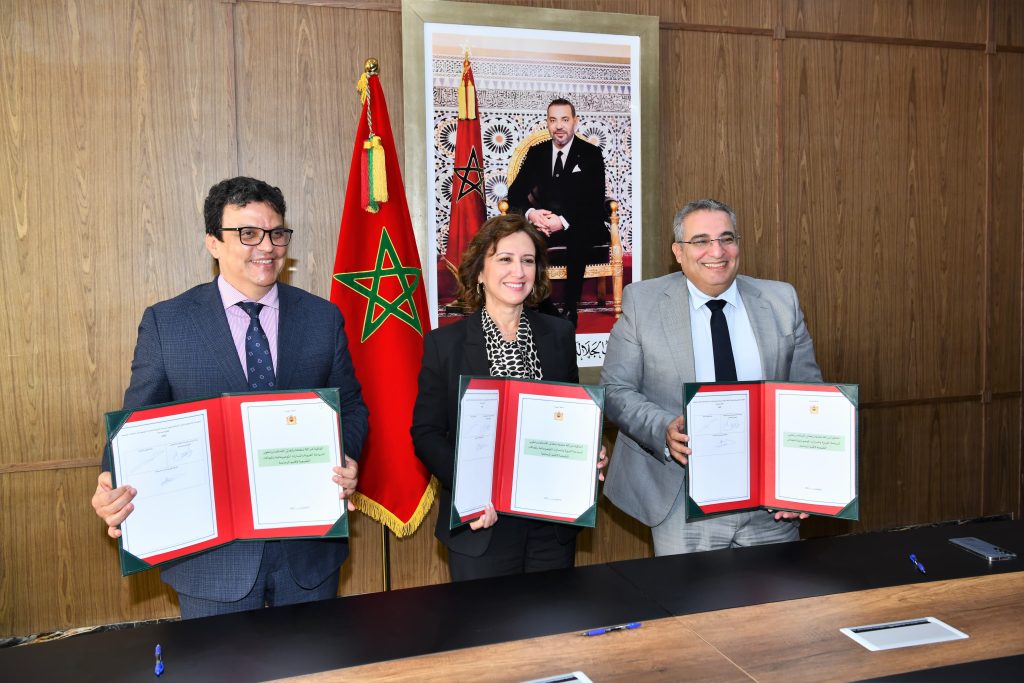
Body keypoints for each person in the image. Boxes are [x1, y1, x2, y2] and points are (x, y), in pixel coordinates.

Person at [90, 176, 369, 618]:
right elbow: (136, 423)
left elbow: (350, 407)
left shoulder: (321, 317)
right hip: (214, 559)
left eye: (276, 233)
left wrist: (346, 457)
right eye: (248, 233)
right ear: (213, 242)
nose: (267, 247)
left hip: (308, 549)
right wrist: (112, 478)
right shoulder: (168, 323)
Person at [602, 198, 821, 556]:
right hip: (682, 501)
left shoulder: (781, 300)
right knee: (689, 595)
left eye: (726, 238)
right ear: (678, 251)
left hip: (769, 503)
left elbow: (810, 396)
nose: (716, 251)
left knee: (776, 593)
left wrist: (804, 482)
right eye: (701, 241)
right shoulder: (643, 302)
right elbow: (615, 389)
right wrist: (663, 428)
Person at [411, 213, 607, 581]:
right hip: (482, 524)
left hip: (550, 523)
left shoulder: (558, 334)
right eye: (505, 259)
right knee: (486, 619)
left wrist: (589, 450)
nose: (518, 271)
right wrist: (470, 492)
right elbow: (426, 433)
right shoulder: (445, 345)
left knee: (552, 618)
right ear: (479, 272)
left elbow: (570, 416)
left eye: (528, 260)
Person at [507, 98, 607, 326]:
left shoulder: (591, 154)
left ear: (575, 122)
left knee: (579, 234)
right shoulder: (537, 153)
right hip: (543, 224)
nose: (559, 126)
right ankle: (545, 306)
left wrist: (562, 221)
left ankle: (571, 308)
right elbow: (515, 194)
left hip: (580, 223)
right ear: (547, 123)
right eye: (553, 120)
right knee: (528, 238)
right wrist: (532, 214)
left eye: (564, 119)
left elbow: (594, 201)